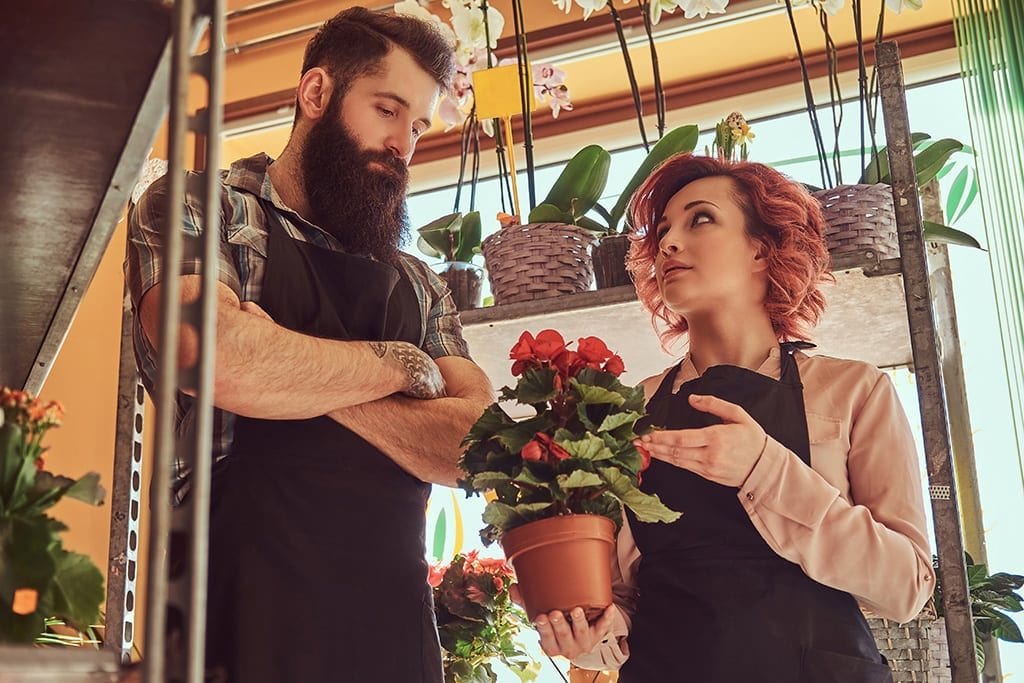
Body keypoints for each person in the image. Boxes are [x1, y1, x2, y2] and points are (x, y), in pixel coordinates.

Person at [126, 8, 493, 682]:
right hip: (233, 629)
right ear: (317, 93)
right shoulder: (202, 210)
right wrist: (397, 366)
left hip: (392, 645)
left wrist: (284, 368)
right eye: (387, 110)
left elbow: (474, 443)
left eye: (417, 126)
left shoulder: (420, 284)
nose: (403, 146)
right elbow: (208, 353)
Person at [527, 154, 934, 681]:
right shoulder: (625, 412)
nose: (669, 244)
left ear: (762, 250)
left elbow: (906, 588)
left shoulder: (855, 390)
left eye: (700, 219)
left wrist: (766, 471)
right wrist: (587, 636)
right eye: (664, 232)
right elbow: (625, 605)